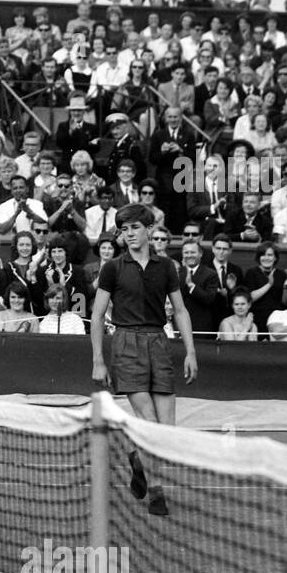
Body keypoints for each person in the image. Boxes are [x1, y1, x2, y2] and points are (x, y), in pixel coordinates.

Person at [90, 203, 198, 517]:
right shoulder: (112, 267)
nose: (130, 234)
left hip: (159, 344)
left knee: (167, 432)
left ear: (149, 229)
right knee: (149, 423)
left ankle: (137, 459)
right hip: (125, 344)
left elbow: (179, 311)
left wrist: (190, 352)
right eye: (124, 229)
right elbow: (96, 316)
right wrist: (99, 360)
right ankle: (156, 492)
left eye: (135, 227)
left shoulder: (167, 267)